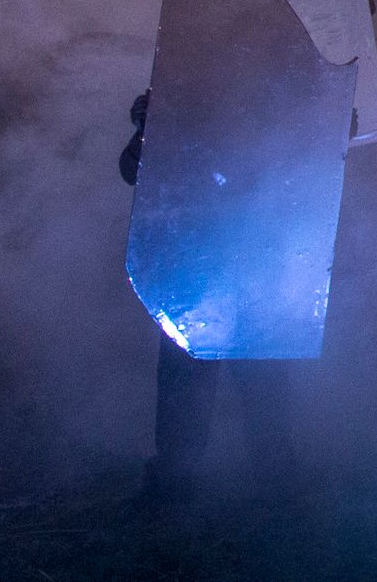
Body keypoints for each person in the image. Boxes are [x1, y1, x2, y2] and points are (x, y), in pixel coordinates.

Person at [120, 91, 296, 505]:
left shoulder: (278, 96)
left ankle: (277, 483)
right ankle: (176, 480)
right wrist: (148, 129)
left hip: (256, 256)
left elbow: (305, 160)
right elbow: (132, 169)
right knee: (187, 371)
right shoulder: (183, 92)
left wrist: (333, 122)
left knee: (262, 372)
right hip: (194, 260)